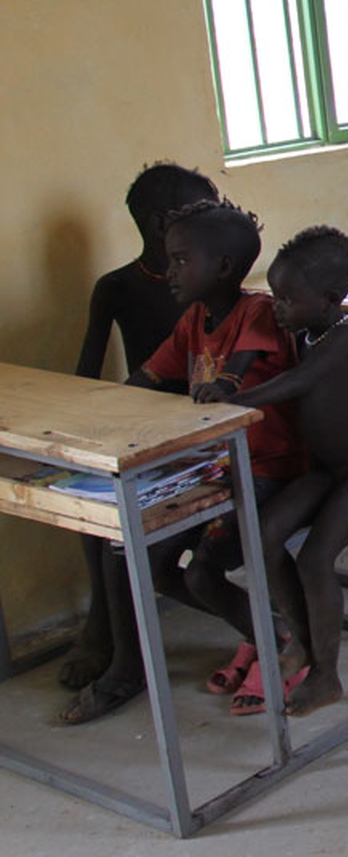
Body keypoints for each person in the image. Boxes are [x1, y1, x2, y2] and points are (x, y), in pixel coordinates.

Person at [63, 200, 306, 723]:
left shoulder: (257, 311)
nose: (168, 271)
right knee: (134, 557)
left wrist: (224, 385)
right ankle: (262, 633)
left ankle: (282, 641)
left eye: (179, 260)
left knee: (198, 577)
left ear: (221, 266)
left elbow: (234, 374)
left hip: (264, 471)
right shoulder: (193, 320)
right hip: (213, 471)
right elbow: (146, 381)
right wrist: (96, 416)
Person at [223, 227, 348, 715]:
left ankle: (327, 675)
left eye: (287, 298)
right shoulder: (309, 333)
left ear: (329, 299)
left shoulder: (346, 339)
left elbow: (296, 383)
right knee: (262, 533)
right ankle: (304, 641)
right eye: (274, 294)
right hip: (333, 469)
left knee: (314, 558)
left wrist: (233, 403)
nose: (277, 306)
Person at [60, 163, 220, 697]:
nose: (214, 218)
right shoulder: (117, 287)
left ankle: (117, 650)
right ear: (159, 224)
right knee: (89, 503)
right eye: (202, 211)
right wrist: (85, 433)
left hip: (203, 430)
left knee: (123, 523)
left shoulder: (214, 284)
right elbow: (90, 375)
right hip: (142, 424)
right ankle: (101, 628)